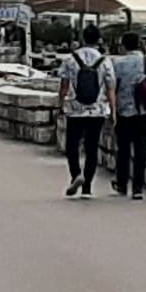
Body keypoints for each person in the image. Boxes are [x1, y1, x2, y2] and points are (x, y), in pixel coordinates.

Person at [107, 29, 146, 198]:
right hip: (143, 112)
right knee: (141, 151)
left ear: (124, 46)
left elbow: (111, 87)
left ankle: (122, 184)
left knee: (123, 150)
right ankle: (138, 188)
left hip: (123, 112)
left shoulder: (117, 63)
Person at [58, 32, 109, 198]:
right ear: (99, 40)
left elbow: (64, 86)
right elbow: (111, 88)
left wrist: (60, 105)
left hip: (75, 109)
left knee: (72, 144)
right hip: (97, 110)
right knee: (91, 147)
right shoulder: (104, 61)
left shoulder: (70, 59)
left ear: (82, 39)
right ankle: (87, 187)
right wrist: (113, 111)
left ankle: (76, 174)